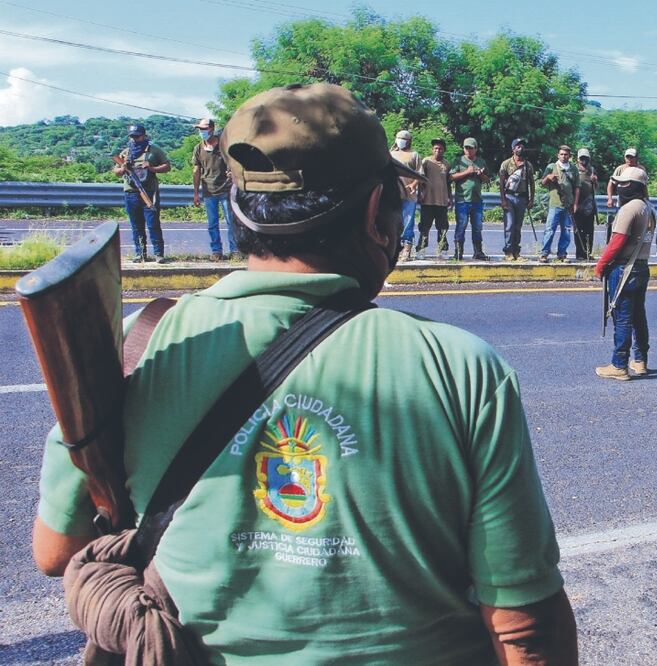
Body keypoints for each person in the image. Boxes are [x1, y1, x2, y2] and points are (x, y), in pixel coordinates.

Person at [32, 82, 578, 664]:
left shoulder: (139, 343)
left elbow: (56, 549)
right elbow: (523, 628)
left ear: (240, 208)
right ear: (376, 214)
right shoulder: (461, 368)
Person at [594, 166, 655, 380]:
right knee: (638, 316)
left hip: (624, 268)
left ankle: (619, 365)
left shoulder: (629, 209)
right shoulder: (648, 207)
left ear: (632, 187)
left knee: (622, 317)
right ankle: (640, 361)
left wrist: (601, 264)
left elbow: (617, 241)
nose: (619, 188)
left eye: (622, 184)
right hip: (641, 266)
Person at [113, 124, 171, 263]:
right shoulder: (126, 153)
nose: (134, 139)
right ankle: (140, 254)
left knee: (153, 224)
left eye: (137, 136)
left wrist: (152, 168)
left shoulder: (154, 150)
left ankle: (159, 254)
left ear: (144, 135)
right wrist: (123, 168)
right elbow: (116, 172)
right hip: (131, 192)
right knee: (136, 225)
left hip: (149, 192)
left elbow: (167, 166)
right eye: (132, 136)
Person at [191, 118, 236, 260]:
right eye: (200, 129)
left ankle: (235, 251)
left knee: (231, 222)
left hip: (226, 190)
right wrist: (196, 193)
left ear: (212, 128)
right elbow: (196, 170)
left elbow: (233, 163)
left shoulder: (223, 145)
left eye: (204, 129)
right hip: (208, 191)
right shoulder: (198, 148)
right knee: (212, 223)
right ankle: (216, 251)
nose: (202, 132)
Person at [450, 137, 491, 261]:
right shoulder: (458, 161)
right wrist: (467, 172)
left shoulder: (481, 162)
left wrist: (481, 175)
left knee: (477, 227)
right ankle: (458, 252)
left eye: (470, 148)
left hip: (476, 200)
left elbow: (488, 180)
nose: (468, 150)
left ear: (476, 149)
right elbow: (451, 177)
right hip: (462, 199)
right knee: (461, 226)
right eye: (466, 148)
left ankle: (478, 252)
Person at [539, 145, 580, 262]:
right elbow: (542, 182)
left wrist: (575, 203)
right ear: (558, 155)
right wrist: (548, 177)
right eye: (561, 154)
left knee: (566, 230)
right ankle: (544, 253)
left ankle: (562, 254)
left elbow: (577, 187)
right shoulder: (551, 167)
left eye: (566, 154)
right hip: (555, 204)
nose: (563, 156)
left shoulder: (573, 169)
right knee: (550, 229)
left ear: (569, 156)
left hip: (568, 205)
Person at [498, 137, 536, 261]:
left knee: (517, 227)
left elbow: (531, 183)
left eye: (522, 146)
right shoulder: (506, 164)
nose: (521, 148)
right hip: (509, 197)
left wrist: (531, 199)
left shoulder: (528, 165)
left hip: (522, 198)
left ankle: (516, 251)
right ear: (513, 149)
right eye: (518, 146)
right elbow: (501, 183)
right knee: (509, 225)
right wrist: (503, 200)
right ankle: (508, 252)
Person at [391, 129, 424, 262]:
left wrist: (414, 185)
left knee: (408, 222)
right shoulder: (391, 154)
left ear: (409, 141)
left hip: (409, 195)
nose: (401, 141)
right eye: (399, 138)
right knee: (393, 222)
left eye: (404, 139)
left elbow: (420, 174)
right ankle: (394, 248)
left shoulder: (414, 155)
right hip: (393, 194)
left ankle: (407, 249)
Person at [418, 138, 452, 257]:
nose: (438, 150)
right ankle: (421, 249)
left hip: (442, 201)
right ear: (432, 150)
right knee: (424, 227)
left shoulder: (447, 164)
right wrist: (420, 193)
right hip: (427, 200)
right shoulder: (426, 161)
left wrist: (450, 199)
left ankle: (442, 250)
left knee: (443, 227)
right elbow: (420, 179)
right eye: (436, 148)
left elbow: (448, 183)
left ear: (444, 150)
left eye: (440, 148)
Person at [606, 148, 646, 242]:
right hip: (623, 201)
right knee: (619, 224)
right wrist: (610, 198)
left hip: (636, 201)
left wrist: (646, 199)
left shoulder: (641, 169)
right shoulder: (620, 169)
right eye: (627, 157)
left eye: (632, 157)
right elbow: (611, 184)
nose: (629, 160)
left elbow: (644, 187)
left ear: (636, 158)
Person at [574, 148, 599, 260]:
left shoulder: (592, 169)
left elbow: (596, 187)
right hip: (578, 204)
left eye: (586, 158)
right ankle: (579, 253)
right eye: (582, 158)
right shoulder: (573, 169)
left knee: (589, 230)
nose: (584, 161)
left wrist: (595, 180)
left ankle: (588, 253)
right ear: (578, 159)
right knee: (578, 230)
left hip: (589, 204)